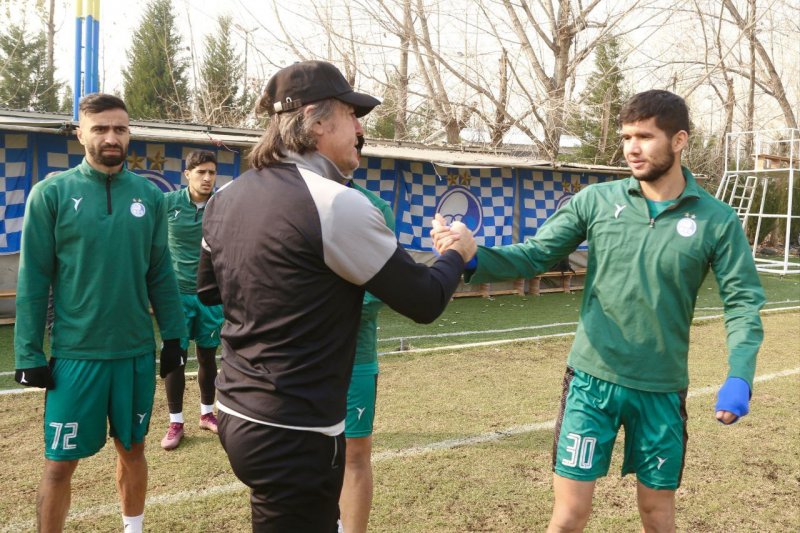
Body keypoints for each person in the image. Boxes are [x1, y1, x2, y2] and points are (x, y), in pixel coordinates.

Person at [432, 90, 765, 532]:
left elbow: (742, 303)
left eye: (644, 136)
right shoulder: (595, 201)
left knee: (657, 514)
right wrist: (473, 255)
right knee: (570, 515)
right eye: (627, 136)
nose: (631, 148)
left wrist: (740, 373)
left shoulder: (717, 220)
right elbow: (535, 255)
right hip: (591, 383)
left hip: (661, 391)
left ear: (679, 139)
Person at [196, 60, 476, 532]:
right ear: (316, 121)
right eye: (353, 115)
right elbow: (424, 301)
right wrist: (457, 253)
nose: (361, 129)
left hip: (235, 409)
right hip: (295, 427)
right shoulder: (335, 203)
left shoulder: (227, 195)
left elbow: (209, 289)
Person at [13, 93, 187, 533]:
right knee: (59, 464)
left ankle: (133, 529)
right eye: (101, 128)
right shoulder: (50, 194)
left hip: (133, 353)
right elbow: (34, 277)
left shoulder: (149, 196)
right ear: (80, 134)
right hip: (76, 356)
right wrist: (28, 353)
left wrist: (173, 339)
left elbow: (160, 274)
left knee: (133, 450)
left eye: (120, 129)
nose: (112, 137)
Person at [338, 136, 394, 533]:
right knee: (304, 454)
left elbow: (381, 285)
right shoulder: (294, 199)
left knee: (355, 454)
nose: (353, 151)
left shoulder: (376, 208)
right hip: (298, 358)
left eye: (359, 145)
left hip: (355, 354)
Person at [160, 150, 224, 450]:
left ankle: (207, 414)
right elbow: (150, 245)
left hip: (212, 297)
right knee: (175, 358)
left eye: (212, 172)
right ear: (187, 174)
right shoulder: (167, 204)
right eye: (201, 172)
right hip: (176, 297)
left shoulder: (224, 206)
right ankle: (176, 421)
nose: (207, 178)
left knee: (208, 357)